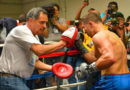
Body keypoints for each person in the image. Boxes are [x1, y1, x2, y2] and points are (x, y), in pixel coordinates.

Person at [0, 7, 67, 90]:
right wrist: (62, 43)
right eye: (42, 22)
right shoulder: (20, 30)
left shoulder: (34, 36)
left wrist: (53, 68)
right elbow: (40, 50)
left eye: (46, 23)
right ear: (31, 21)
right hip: (9, 78)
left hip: (19, 79)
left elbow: (35, 62)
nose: (45, 26)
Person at [75, 13, 130, 90]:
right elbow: (95, 58)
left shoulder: (98, 36)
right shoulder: (113, 36)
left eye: (84, 28)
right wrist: (79, 44)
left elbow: (109, 57)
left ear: (91, 23)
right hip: (126, 78)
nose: (85, 32)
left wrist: (89, 69)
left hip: (113, 81)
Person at [43, 3, 68, 87]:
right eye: (52, 10)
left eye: (56, 10)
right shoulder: (46, 21)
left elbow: (65, 31)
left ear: (58, 11)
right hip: (48, 46)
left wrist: (55, 23)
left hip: (59, 46)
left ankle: (59, 86)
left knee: (59, 67)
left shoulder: (62, 20)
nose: (54, 12)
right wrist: (46, 22)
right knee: (48, 67)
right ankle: (49, 86)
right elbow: (45, 35)